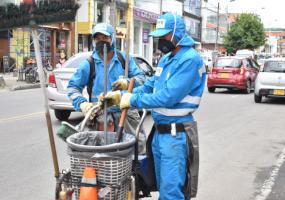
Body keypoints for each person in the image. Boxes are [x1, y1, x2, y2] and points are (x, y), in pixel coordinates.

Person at [102, 13, 206, 199]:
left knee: (171, 193)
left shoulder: (190, 59)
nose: (160, 39)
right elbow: (151, 85)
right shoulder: (167, 59)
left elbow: (167, 97)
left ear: (177, 34)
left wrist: (131, 100)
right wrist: (126, 91)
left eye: (164, 35)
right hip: (159, 134)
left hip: (176, 135)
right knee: (161, 187)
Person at [67, 23, 146, 153]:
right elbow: (73, 88)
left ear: (112, 39)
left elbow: (142, 79)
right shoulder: (89, 64)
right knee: (100, 155)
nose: (101, 41)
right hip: (100, 115)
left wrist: (127, 82)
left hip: (126, 112)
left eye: (105, 37)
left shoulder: (124, 59)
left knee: (136, 151)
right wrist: (82, 104)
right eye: (97, 38)